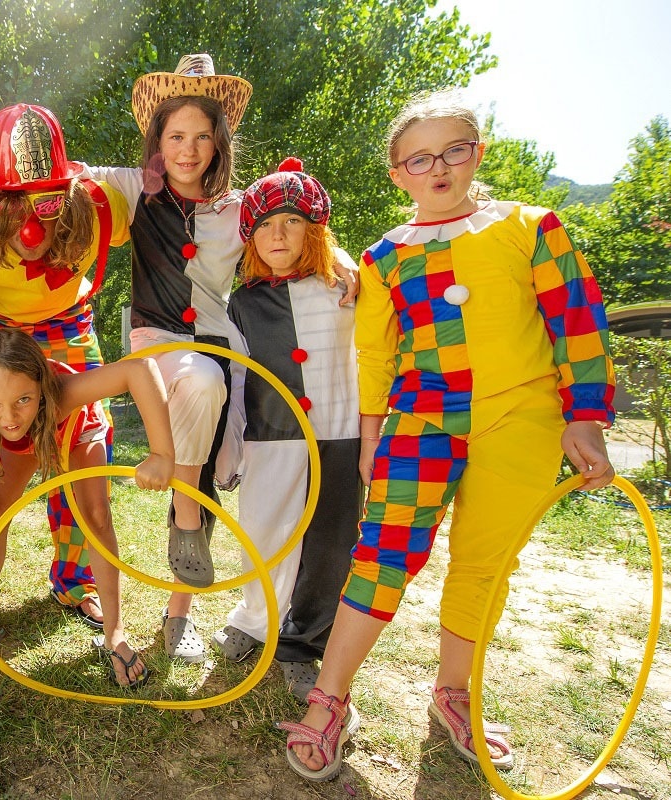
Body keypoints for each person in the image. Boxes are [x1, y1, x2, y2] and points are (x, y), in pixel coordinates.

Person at [280, 90, 616, 783]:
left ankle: (455, 694)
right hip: (421, 417)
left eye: (454, 150)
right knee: (382, 553)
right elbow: (374, 355)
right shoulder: (384, 257)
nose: (439, 167)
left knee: (484, 563)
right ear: (398, 174)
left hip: (520, 419)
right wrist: (372, 435)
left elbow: (576, 320)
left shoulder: (530, 227)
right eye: (419, 158)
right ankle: (330, 698)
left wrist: (585, 414)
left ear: (477, 154)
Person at [81, 54, 359, 663]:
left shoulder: (236, 208)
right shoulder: (133, 189)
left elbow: (294, 227)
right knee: (200, 402)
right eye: (176, 135)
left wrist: (336, 260)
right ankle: (185, 518)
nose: (188, 149)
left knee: (203, 467)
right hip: (160, 346)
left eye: (202, 136)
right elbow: (65, 179)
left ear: (218, 142)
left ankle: (179, 609)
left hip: (223, 346)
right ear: (159, 140)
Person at [0, 103, 132, 633]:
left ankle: (75, 581)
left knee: (84, 458)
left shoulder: (100, 206)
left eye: (44, 201)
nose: (30, 224)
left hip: (68, 328)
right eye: (13, 203)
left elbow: (173, 212)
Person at [0, 328, 174, 687]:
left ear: (40, 387)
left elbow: (140, 368)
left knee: (95, 517)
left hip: (75, 430)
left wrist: (162, 453)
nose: (8, 416)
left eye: (22, 398)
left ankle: (115, 633)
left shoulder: (62, 393)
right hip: (25, 441)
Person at [211, 159, 360, 707]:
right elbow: (234, 374)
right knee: (265, 530)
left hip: (340, 432)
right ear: (250, 236)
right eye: (266, 224)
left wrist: (346, 263)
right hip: (273, 435)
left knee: (328, 542)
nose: (278, 234)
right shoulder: (244, 301)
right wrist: (231, 448)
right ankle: (255, 618)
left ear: (314, 231)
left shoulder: (345, 287)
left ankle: (302, 643)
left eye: (292, 222)